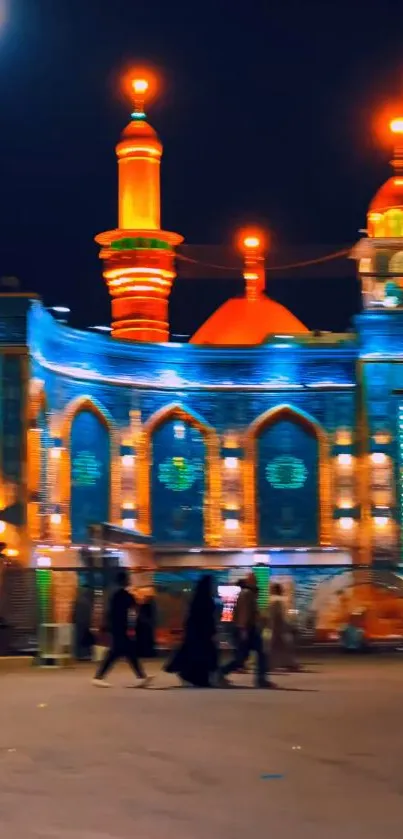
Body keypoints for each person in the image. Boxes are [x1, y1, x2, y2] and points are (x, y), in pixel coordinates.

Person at [92, 569, 149, 687]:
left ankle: (141, 676)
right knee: (117, 652)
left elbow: (109, 612)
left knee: (125, 652)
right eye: (127, 579)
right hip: (122, 627)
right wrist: (132, 626)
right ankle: (98, 676)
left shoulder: (114, 595)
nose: (129, 581)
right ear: (124, 580)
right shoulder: (125, 595)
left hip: (116, 627)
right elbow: (133, 610)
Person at [219, 572, 275, 688]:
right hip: (248, 629)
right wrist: (243, 629)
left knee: (248, 656)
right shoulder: (247, 593)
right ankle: (220, 672)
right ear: (249, 581)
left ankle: (221, 673)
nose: (256, 581)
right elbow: (244, 612)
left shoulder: (249, 593)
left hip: (248, 629)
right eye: (253, 579)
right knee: (249, 656)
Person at [164, 574, 218, 687]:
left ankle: (194, 677)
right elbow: (207, 618)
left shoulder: (197, 599)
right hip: (202, 633)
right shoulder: (207, 600)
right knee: (203, 656)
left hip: (196, 633)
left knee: (196, 655)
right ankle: (199, 678)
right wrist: (211, 631)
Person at [268, 583, 299, 671]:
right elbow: (292, 613)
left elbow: (273, 615)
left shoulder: (273, 600)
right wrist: (293, 623)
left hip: (277, 626)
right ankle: (291, 663)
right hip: (286, 626)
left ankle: (270, 665)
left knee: (273, 647)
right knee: (286, 646)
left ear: (274, 590)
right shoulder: (286, 600)